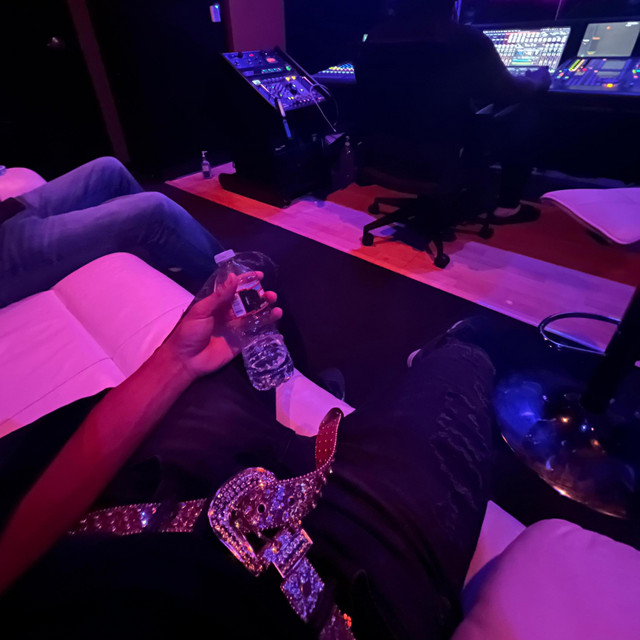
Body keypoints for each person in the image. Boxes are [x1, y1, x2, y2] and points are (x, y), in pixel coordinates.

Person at [0, 273, 494, 639]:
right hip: (340, 594)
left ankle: (311, 384)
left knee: (254, 303)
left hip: (139, 501)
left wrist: (176, 361)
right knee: (467, 357)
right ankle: (443, 350)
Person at [359, 0, 551, 224]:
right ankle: (507, 207)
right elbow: (510, 92)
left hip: (382, 154)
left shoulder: (375, 37)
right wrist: (537, 80)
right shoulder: (464, 39)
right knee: (527, 109)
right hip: (439, 158)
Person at [0, 156, 223, 307]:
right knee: (154, 210)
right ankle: (236, 283)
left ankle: (168, 261)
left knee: (109, 169)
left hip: (8, 211)